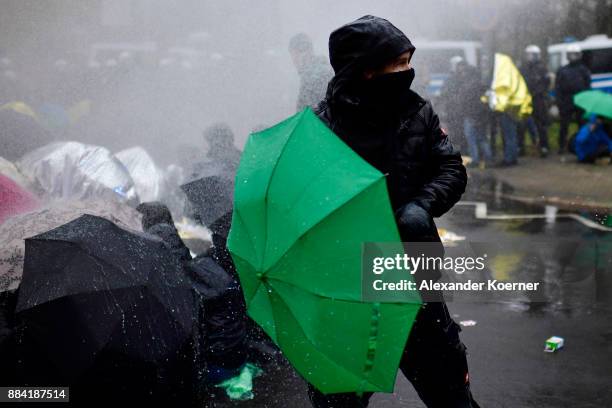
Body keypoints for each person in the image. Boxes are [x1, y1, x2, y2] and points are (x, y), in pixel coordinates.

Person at [312, 15, 478, 407]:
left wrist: (422, 205)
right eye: (398, 63)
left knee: (450, 391)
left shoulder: (417, 112)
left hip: (417, 270)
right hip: (349, 287)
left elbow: (450, 168)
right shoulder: (321, 130)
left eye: (408, 61)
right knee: (340, 398)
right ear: (367, 71)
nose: (408, 71)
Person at [443, 59, 491, 167]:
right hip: (481, 115)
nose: (462, 73)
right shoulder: (481, 84)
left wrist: (463, 111)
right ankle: (488, 158)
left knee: (471, 138)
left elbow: (464, 101)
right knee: (482, 137)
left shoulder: (467, 86)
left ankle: (475, 159)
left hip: (471, 115)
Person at [555, 44, 591, 154]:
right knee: (564, 125)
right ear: (567, 56)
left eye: (575, 54)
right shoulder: (562, 70)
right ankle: (562, 146)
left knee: (582, 123)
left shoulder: (584, 70)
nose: (572, 57)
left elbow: (588, 86)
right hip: (566, 101)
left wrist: (586, 101)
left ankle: (582, 143)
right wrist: (559, 101)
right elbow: (558, 87)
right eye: (570, 55)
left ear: (579, 55)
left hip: (580, 101)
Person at [289, 33, 333, 112]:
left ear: (308, 52)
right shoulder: (314, 73)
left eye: (296, 54)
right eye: (293, 55)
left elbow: (309, 113)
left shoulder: (315, 76)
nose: (294, 60)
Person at [519, 45, 550, 157]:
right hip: (525, 100)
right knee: (522, 124)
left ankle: (544, 147)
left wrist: (537, 92)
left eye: (531, 55)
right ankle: (520, 147)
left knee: (541, 124)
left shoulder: (542, 68)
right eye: (528, 55)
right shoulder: (523, 68)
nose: (529, 57)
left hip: (538, 100)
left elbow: (546, 83)